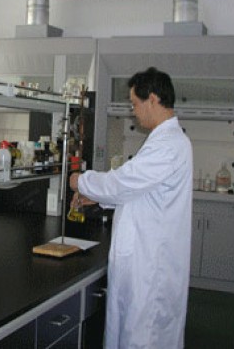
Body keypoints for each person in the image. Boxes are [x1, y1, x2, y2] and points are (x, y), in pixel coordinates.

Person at [69, 67, 193, 348]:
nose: (133, 111)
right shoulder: (164, 141)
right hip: (146, 260)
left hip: (150, 267)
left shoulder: (168, 145)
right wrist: (97, 198)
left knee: (143, 336)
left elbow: (123, 182)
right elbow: (139, 190)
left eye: (135, 104)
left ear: (153, 99)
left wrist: (81, 181)